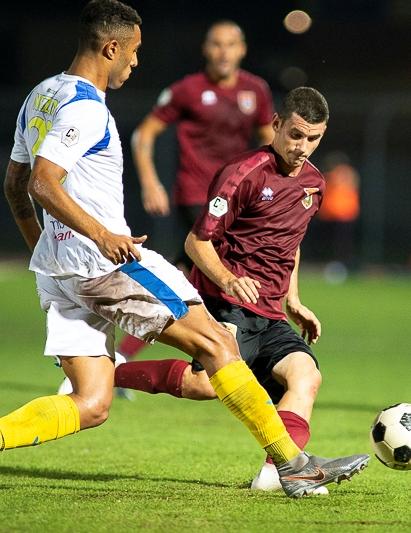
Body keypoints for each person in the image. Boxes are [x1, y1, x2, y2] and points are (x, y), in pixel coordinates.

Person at [0, 0, 368, 498]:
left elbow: (15, 185)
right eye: (135, 52)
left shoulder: (42, 95)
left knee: (93, 402)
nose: (137, 62)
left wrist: (46, 257)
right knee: (218, 346)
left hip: (62, 272)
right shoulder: (83, 106)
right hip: (106, 262)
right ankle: (293, 465)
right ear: (111, 47)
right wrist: (102, 237)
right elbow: (41, 183)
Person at [110, 87, 335, 494]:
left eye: (314, 138)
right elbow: (197, 243)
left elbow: (292, 241)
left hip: (270, 312)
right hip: (226, 303)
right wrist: (229, 279)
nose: (303, 147)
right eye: (297, 135)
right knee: (205, 385)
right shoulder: (243, 172)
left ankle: (274, 474)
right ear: (277, 125)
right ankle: (107, 374)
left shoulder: (315, 185)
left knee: (306, 376)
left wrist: (294, 299)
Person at [117, 19, 275, 362]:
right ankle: (221, 356)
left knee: (181, 277)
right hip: (197, 197)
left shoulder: (256, 90)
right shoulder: (188, 89)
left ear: (243, 50)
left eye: (231, 44)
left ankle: (123, 355)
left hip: (236, 199)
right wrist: (150, 182)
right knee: (223, 273)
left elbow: (269, 143)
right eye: (217, 44)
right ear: (206, 49)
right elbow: (143, 135)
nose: (223, 52)